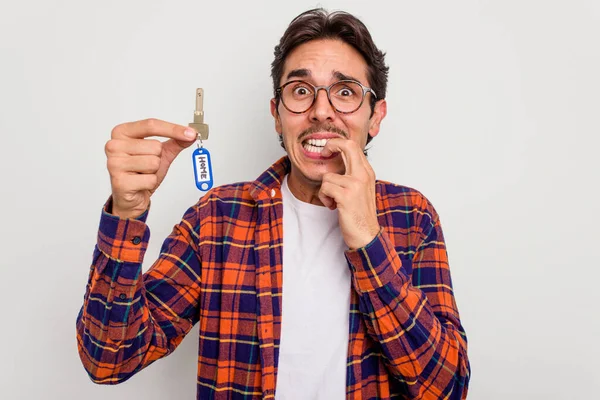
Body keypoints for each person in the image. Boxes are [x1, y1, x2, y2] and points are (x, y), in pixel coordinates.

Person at [76, 8, 471, 400]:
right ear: (277, 115)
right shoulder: (215, 219)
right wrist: (125, 215)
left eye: (345, 92)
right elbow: (109, 359)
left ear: (375, 117)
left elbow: (448, 390)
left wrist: (369, 242)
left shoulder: (412, 216)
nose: (320, 111)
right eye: (300, 91)